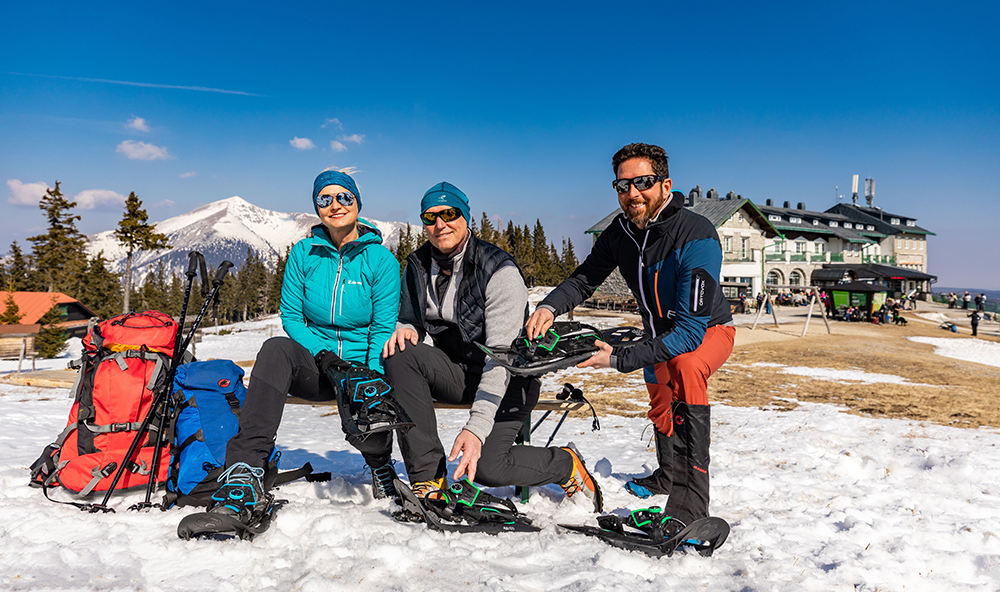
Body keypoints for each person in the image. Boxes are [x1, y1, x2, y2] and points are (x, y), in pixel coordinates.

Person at [525, 142, 735, 533]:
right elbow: (585, 277)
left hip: (707, 332)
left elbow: (689, 334)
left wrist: (618, 359)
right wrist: (549, 307)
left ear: (665, 183)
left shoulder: (696, 234)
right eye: (622, 186)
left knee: (685, 369)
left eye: (642, 182)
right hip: (657, 335)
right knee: (660, 399)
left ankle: (690, 505)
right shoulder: (619, 233)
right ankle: (667, 474)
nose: (632, 193)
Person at [181, 170, 401, 534]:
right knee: (275, 349)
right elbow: (293, 318)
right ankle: (246, 471)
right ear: (317, 206)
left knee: (366, 415)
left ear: (358, 203)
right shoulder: (304, 253)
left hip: (362, 368)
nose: (335, 205)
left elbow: (381, 326)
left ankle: (379, 462)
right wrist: (326, 357)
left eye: (344, 197)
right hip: (315, 367)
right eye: (325, 199)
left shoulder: (381, 261)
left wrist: (366, 373)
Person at [370, 182, 602, 510]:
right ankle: (428, 479)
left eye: (449, 214)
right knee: (400, 353)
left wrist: (476, 429)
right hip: (459, 371)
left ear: (466, 216)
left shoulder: (498, 270)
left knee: (489, 468)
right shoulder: (418, 264)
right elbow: (409, 317)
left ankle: (565, 464)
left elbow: (502, 357)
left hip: (510, 377)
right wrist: (406, 328)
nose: (440, 224)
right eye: (430, 217)